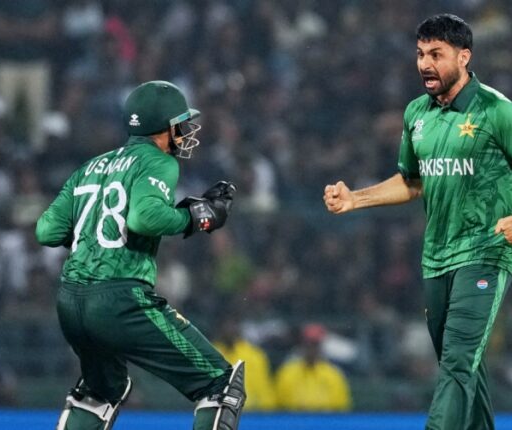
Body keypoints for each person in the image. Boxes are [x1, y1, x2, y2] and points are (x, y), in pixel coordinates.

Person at [323, 14, 512, 430]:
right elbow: (413, 182)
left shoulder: (498, 111)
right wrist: (356, 199)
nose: (425, 64)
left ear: (464, 57)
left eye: (436, 54)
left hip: (486, 252)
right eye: (420, 54)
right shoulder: (416, 113)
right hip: (436, 257)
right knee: (464, 366)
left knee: (458, 359)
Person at [36, 80, 245, 430]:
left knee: (100, 393)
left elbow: (46, 231)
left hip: (70, 301)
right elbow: (144, 218)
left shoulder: (90, 166)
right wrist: (198, 217)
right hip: (120, 298)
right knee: (219, 384)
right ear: (163, 127)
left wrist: (92, 230)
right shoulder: (158, 160)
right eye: (181, 124)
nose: (186, 132)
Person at [274, 323, 352, 411]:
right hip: (294, 418)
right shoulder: (287, 372)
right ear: (302, 345)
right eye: (308, 344)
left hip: (324, 418)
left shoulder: (333, 374)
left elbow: (341, 408)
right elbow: (278, 406)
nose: (311, 349)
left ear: (320, 346)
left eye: (315, 344)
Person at [213, 315, 277, 411]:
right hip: (217, 412)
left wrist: (267, 411)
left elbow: (263, 389)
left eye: (233, 325)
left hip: (251, 413)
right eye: (226, 326)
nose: (229, 330)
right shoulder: (210, 354)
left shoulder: (255, 355)